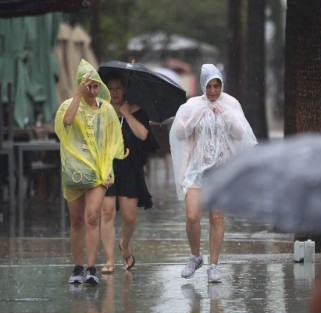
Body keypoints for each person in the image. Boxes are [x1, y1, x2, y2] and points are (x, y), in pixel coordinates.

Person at [170, 64, 257, 282]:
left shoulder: (231, 104)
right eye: (208, 86)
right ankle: (195, 256)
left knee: (217, 217)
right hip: (196, 168)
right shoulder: (193, 105)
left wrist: (226, 116)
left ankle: (214, 266)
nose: (212, 91)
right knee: (192, 215)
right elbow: (180, 132)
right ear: (203, 85)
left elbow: (241, 133)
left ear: (221, 85)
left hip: (221, 170)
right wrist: (194, 118)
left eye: (216, 86)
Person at [54, 59, 125, 286]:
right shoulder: (68, 105)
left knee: (92, 217)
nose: (92, 91)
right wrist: (77, 95)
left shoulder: (106, 111)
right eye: (88, 86)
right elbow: (66, 122)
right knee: (76, 221)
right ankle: (77, 266)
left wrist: (109, 170)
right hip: (75, 172)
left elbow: (112, 141)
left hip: (98, 172)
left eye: (95, 86)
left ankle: (92, 267)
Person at [99, 72, 159, 274]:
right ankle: (109, 260)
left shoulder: (135, 110)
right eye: (111, 88)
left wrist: (126, 113)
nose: (114, 92)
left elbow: (143, 135)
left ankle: (125, 245)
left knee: (129, 216)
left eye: (118, 88)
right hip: (106, 167)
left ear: (124, 89)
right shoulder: (100, 111)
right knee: (106, 212)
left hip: (130, 169)